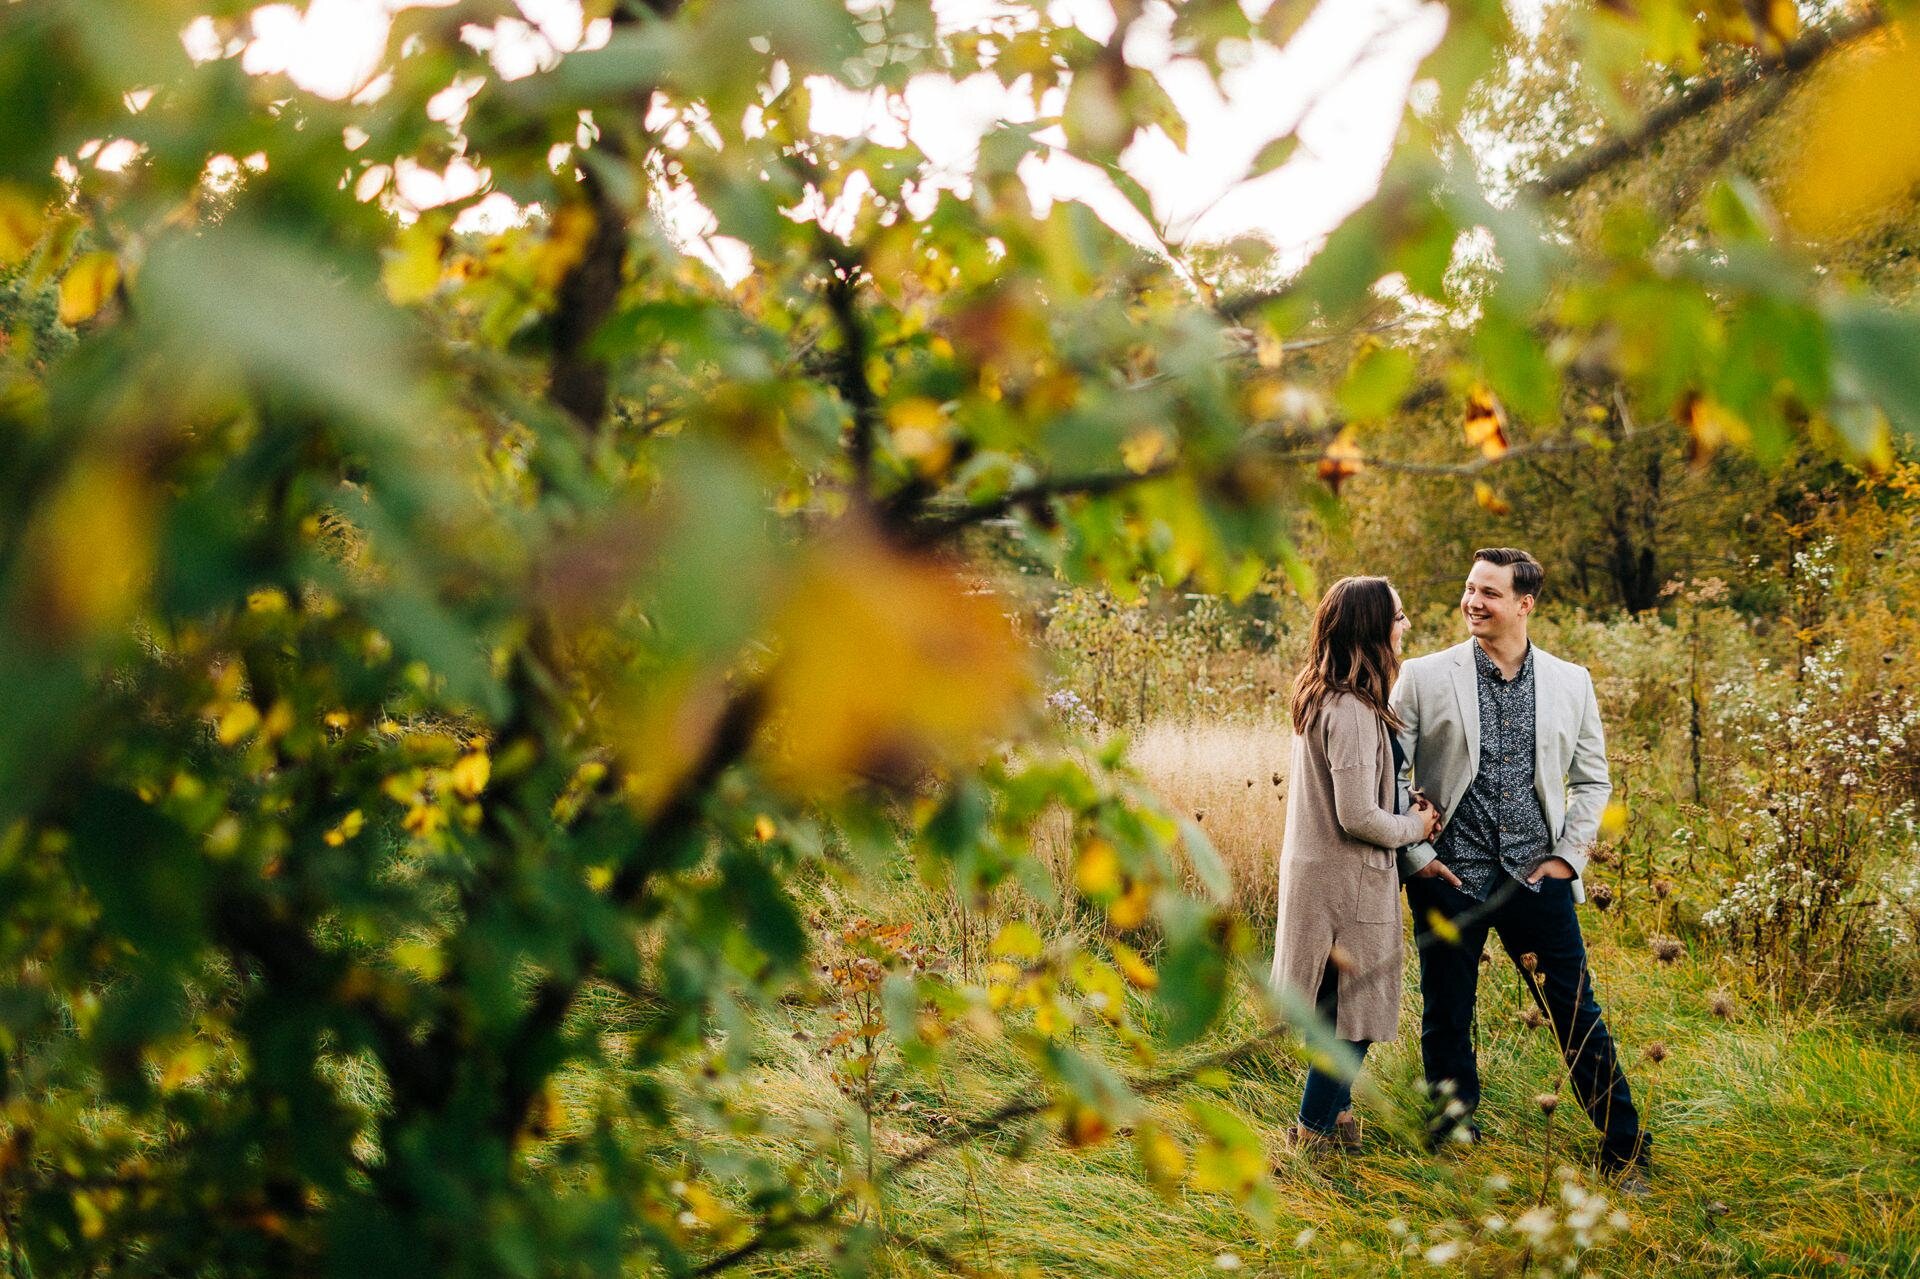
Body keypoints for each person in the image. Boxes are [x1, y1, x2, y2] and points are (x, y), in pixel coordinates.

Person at [1392, 547, 1651, 1186]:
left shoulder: (1572, 681)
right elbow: (1388, 773)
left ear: (1525, 603)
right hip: (1449, 877)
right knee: (1447, 1011)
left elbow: (1592, 781)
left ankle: (1624, 1148)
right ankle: (1453, 1134)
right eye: (1470, 589)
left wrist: (1567, 857)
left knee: (1575, 1010)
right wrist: (1418, 855)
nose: (1473, 602)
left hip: (1538, 878)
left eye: (1491, 593)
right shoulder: (1424, 676)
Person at [1271, 576, 1442, 1154]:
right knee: (1352, 1021)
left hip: (1330, 878)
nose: (1405, 625)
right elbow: (1356, 816)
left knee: (1338, 1010)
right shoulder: (1348, 709)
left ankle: (1336, 1124)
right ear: (1372, 627)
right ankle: (1313, 1136)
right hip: (1345, 884)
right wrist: (1415, 827)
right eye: (1398, 615)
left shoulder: (1336, 698)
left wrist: (1401, 803)